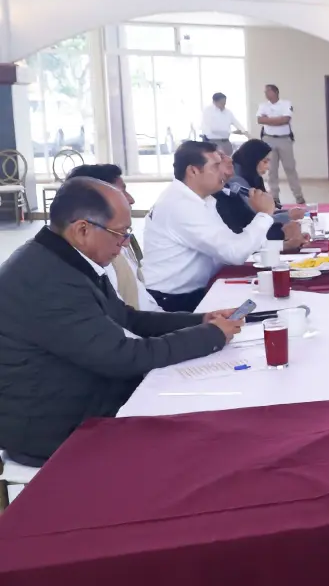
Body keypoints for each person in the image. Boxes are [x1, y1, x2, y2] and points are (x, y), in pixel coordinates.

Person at [0, 178, 241, 467]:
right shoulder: (47, 280)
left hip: (79, 392)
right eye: (120, 233)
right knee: (196, 431)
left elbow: (126, 317)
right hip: (53, 425)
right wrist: (210, 336)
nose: (125, 243)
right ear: (82, 230)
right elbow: (122, 357)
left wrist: (201, 320)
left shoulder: (64, 256)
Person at [141, 140, 277, 312]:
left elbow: (231, 242)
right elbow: (234, 254)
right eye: (215, 166)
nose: (222, 171)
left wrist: (274, 244)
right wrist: (264, 215)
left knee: (265, 299)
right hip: (172, 303)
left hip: (190, 292)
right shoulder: (180, 205)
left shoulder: (201, 199)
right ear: (193, 171)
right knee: (263, 309)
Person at [65, 163, 155, 311]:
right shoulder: (100, 260)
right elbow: (122, 319)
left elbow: (141, 296)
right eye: (122, 192)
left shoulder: (115, 239)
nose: (131, 199)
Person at [216, 139, 306, 246]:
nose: (268, 167)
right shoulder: (236, 183)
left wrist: (286, 214)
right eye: (265, 161)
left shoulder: (249, 176)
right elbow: (254, 219)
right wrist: (287, 217)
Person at [256, 83, 305, 204]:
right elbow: (260, 120)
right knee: (272, 169)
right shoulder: (263, 106)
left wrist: (268, 119)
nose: (266, 94)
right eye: (265, 92)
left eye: (268, 91)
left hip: (284, 140)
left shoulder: (286, 104)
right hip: (268, 139)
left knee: (290, 168)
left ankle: (298, 195)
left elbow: (285, 120)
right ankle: (274, 197)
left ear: (275, 92)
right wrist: (277, 119)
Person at [200, 92, 240, 156]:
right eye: (221, 103)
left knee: (228, 158)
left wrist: (244, 132)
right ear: (214, 102)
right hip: (213, 141)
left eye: (225, 102)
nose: (223, 104)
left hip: (226, 141)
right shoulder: (208, 111)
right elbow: (214, 129)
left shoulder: (228, 112)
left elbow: (236, 122)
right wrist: (232, 132)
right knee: (217, 159)